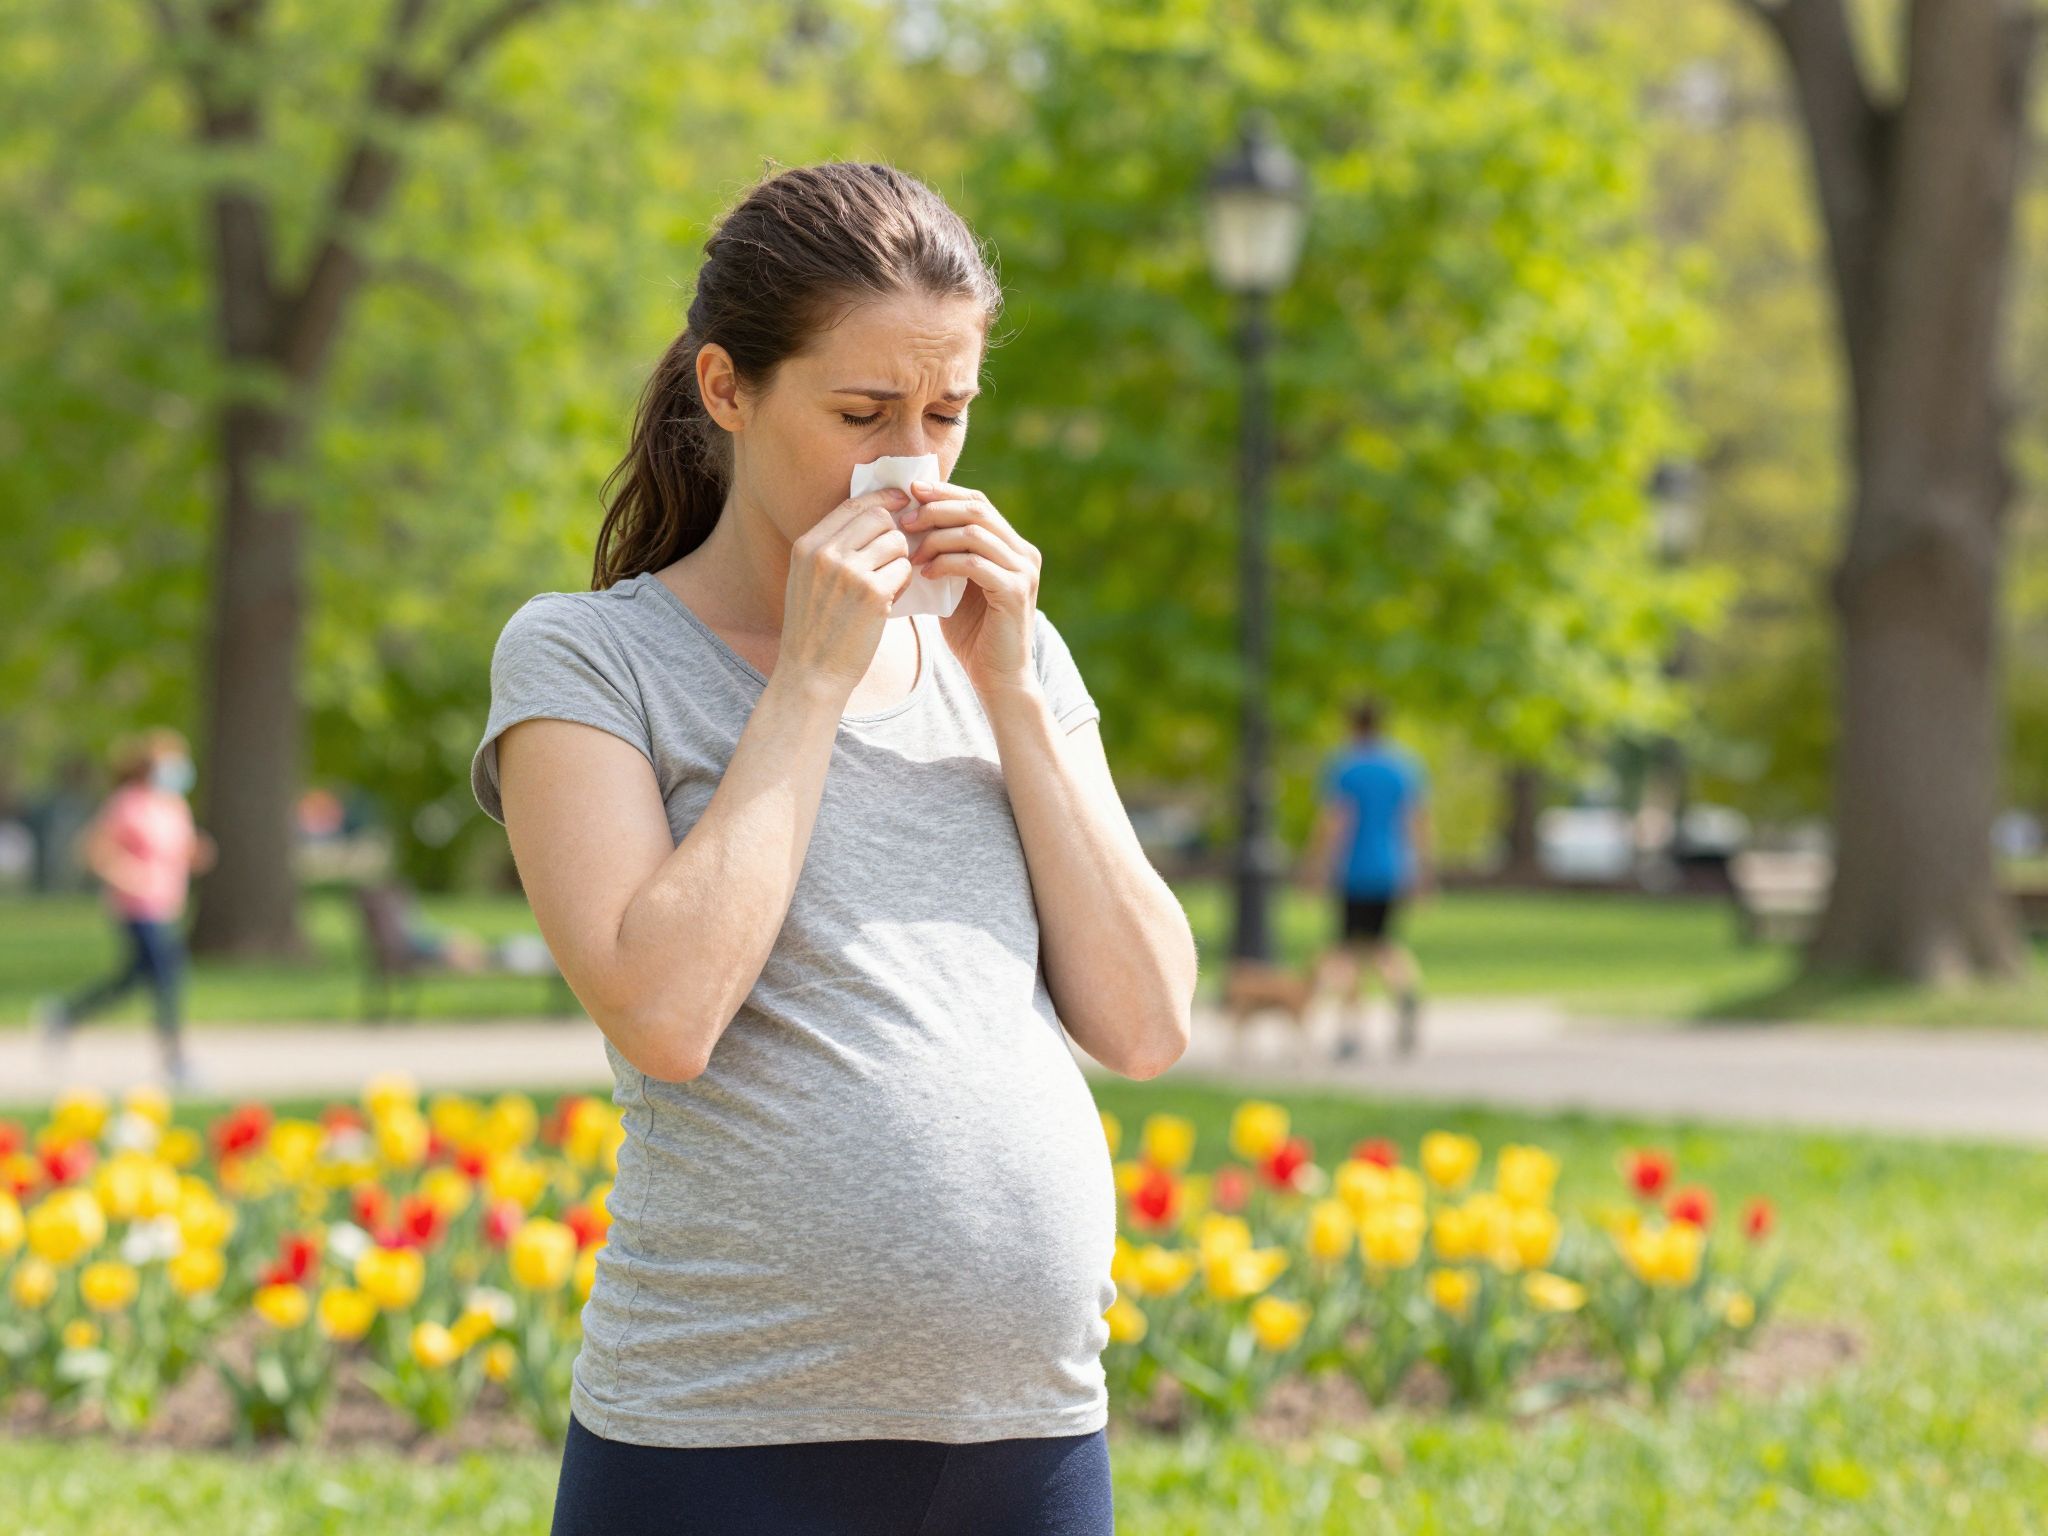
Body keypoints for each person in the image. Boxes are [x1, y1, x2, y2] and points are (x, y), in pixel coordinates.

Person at [469, 162, 1197, 1535]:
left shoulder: (1013, 659)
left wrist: (1015, 694)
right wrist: (808, 680)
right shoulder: (586, 658)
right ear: (725, 387)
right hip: (724, 1439)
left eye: (947, 413)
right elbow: (666, 1011)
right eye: (863, 415)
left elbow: (1150, 1021)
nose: (912, 464)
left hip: (1030, 1434)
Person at [33, 727, 217, 1091]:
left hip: (167, 904)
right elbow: (93, 850)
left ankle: (66, 1015)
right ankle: (175, 1059)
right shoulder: (127, 804)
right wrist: (127, 876)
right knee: (167, 976)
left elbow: (181, 850)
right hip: (137, 906)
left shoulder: (172, 805)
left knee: (133, 978)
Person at [1298, 697, 1432, 1060]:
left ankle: (1351, 1031)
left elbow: (1336, 822)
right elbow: (1414, 821)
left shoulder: (1345, 768)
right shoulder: (1404, 767)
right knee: (1385, 944)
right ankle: (1404, 992)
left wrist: (1316, 867)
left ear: (1352, 725)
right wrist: (1421, 869)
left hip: (1355, 872)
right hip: (1392, 868)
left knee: (1347, 951)